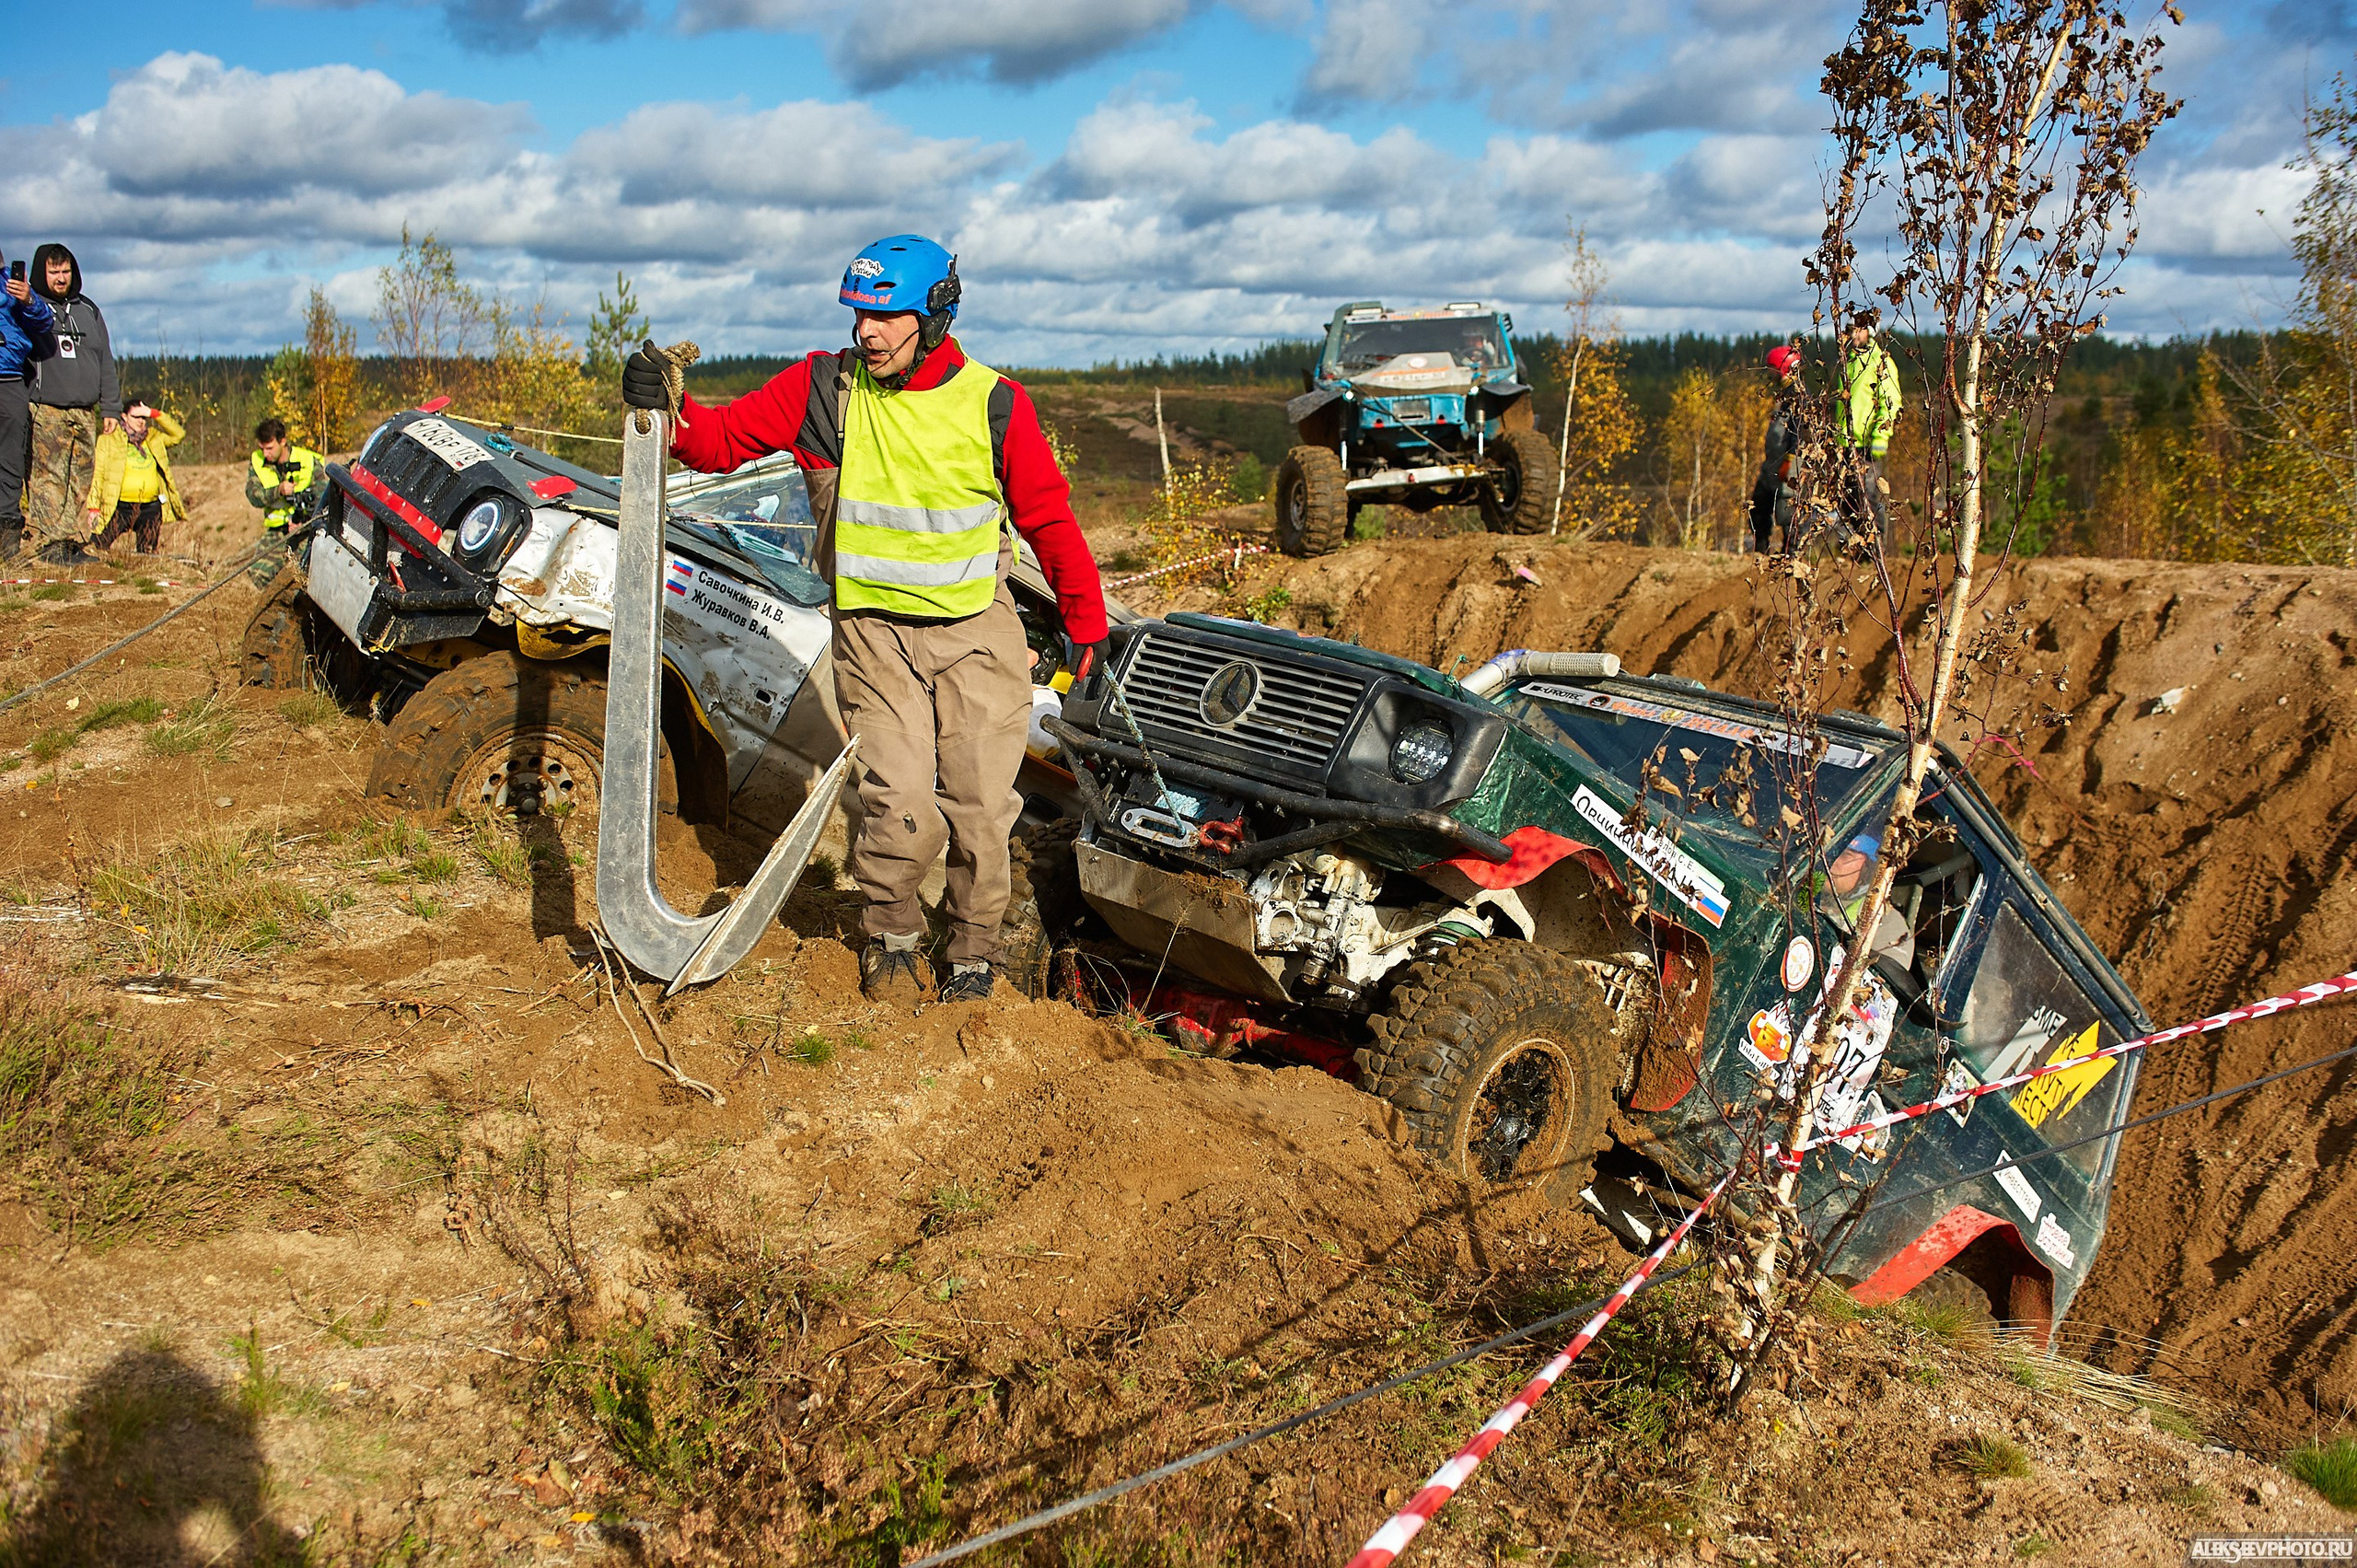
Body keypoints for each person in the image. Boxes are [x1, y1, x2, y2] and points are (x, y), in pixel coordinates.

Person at [622, 235, 1108, 1006]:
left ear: (936, 317)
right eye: (859, 316)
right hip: (874, 638)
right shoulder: (825, 389)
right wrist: (661, 410)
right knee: (902, 807)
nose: (868, 334)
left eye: (887, 318)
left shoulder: (995, 404)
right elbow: (715, 444)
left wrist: (1087, 622)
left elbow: (1048, 518)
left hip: (975, 634)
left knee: (981, 813)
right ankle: (893, 937)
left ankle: (975, 957)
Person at [26, 244, 119, 566]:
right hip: (47, 408)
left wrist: (111, 408)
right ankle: (52, 542)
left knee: (81, 476)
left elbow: (105, 359)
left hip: (84, 410)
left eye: (65, 271)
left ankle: (67, 540)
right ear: (42, 273)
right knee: (50, 478)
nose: (61, 278)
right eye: (54, 272)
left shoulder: (88, 309)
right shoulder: (31, 308)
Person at [0, 247, 58, 562]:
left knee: (10, 459)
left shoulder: (13, 283)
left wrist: (29, 300)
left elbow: (43, 322)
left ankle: (7, 538)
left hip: (9, 379)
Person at [1835, 315, 1901, 552]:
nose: (1853, 335)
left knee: (1868, 498)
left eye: (1858, 330)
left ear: (1869, 332)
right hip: (1844, 444)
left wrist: (1880, 438)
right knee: (1846, 500)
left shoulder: (1880, 361)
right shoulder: (1849, 362)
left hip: (1866, 445)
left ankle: (1876, 551)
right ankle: (1859, 549)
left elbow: (1890, 402)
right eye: (1850, 330)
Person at [87, 398, 184, 555]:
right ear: (124, 416)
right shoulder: (109, 439)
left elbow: (178, 434)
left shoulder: (154, 438)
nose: (141, 421)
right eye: (136, 417)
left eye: (144, 418)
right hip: (118, 507)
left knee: (147, 554)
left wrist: (153, 413)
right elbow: (98, 474)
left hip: (150, 508)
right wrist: (94, 507)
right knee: (97, 547)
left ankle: (142, 578)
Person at [245, 417, 324, 587]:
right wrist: (278, 491)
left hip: (307, 532)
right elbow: (253, 496)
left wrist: (304, 523)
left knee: (305, 579)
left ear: (283, 441)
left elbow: (324, 503)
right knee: (258, 576)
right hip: (278, 532)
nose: (266, 454)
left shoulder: (308, 461)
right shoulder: (258, 461)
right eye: (262, 448)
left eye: (270, 448)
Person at [1819, 828, 1914, 969]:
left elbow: (1880, 986)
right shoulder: (1800, 888)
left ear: (1869, 868)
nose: (1832, 861)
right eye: (1833, 851)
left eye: (1846, 855)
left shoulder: (1889, 924)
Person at [1749, 343, 1804, 554]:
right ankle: (1760, 549)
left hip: (1788, 464)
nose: (1770, 374)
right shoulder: (1784, 396)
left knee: (1786, 511)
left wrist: (1790, 463)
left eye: (1772, 368)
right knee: (1758, 505)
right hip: (1772, 463)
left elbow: (1799, 434)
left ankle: (1792, 553)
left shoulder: (1798, 398)